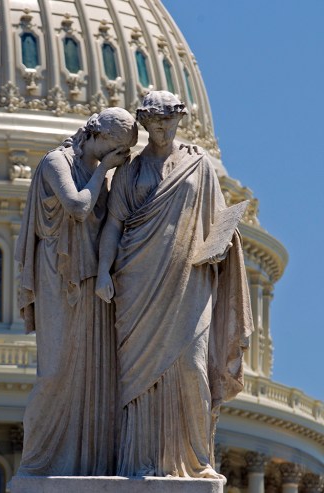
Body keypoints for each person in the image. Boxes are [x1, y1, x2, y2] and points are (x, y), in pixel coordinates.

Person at [95, 91, 253, 478]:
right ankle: (139, 461)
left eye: (169, 118)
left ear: (180, 120)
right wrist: (102, 272)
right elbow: (114, 225)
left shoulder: (199, 166)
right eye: (154, 119)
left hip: (190, 282)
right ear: (143, 123)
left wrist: (222, 248)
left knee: (191, 367)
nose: (162, 125)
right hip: (136, 283)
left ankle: (195, 462)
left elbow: (218, 221)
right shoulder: (129, 172)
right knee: (136, 380)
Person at [15, 107, 138, 476]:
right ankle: (37, 462)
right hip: (58, 273)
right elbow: (78, 207)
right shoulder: (57, 161)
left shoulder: (103, 173)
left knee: (93, 376)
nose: (118, 158)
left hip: (90, 280)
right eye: (116, 149)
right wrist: (105, 170)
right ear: (97, 137)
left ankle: (85, 463)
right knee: (54, 373)